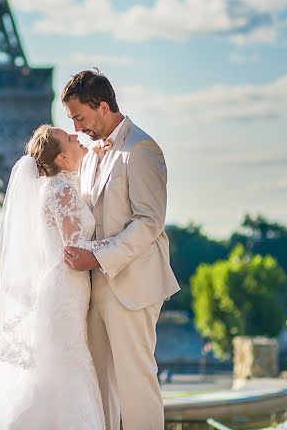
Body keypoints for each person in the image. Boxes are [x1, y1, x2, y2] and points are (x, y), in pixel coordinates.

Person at [0, 125, 108, 430]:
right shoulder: (62, 189)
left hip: (59, 291)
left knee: (53, 373)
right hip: (66, 293)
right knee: (66, 372)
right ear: (61, 158)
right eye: (69, 138)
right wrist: (123, 244)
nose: (76, 137)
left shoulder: (49, 189)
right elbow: (76, 249)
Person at [62, 69, 181, 430]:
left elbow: (149, 222)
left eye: (80, 117)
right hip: (93, 287)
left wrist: (97, 257)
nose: (77, 128)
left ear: (102, 106)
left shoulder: (141, 149)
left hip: (131, 285)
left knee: (136, 385)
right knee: (99, 388)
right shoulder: (91, 154)